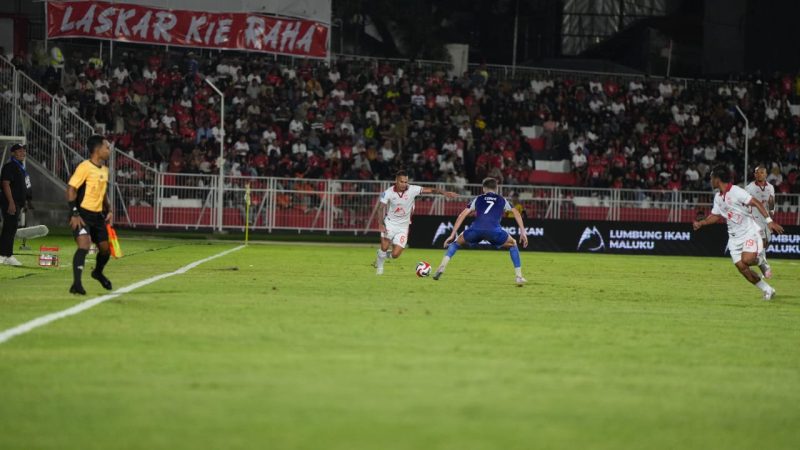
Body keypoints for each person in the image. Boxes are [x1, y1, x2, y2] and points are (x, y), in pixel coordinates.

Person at [693, 165, 784, 300]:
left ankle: (761, 260)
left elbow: (756, 202)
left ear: (717, 179)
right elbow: (715, 216)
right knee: (743, 269)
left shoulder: (736, 191)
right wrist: (702, 223)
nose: (710, 181)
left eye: (711, 178)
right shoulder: (718, 197)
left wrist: (769, 221)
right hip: (734, 238)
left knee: (746, 260)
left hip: (749, 232)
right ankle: (768, 290)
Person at [433, 177, 529, 285]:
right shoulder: (502, 199)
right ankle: (519, 277)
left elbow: (462, 215)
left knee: (455, 243)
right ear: (496, 188)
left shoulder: (478, 198)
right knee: (513, 244)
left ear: (483, 188)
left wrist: (452, 234)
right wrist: (523, 232)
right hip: (494, 231)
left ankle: (442, 267)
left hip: (476, 230)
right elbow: (516, 212)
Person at [375, 170, 457, 275]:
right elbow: (380, 209)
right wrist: (381, 224)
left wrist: (445, 193)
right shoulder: (388, 192)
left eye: (406, 182)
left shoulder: (413, 189)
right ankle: (380, 268)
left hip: (403, 227)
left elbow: (431, 190)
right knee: (385, 246)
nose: (404, 184)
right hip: (390, 224)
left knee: (395, 255)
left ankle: (381, 255)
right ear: (396, 181)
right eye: (401, 181)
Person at [66, 135, 114, 295]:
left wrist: (110, 210)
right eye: (107, 147)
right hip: (82, 215)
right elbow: (71, 188)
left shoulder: (105, 170)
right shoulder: (85, 166)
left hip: (98, 216)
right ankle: (77, 284)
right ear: (97, 149)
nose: (109, 150)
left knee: (105, 250)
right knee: (84, 246)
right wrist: (74, 213)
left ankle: (98, 272)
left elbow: (103, 192)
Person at [1, 144, 31, 266]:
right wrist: (11, 203)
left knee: (12, 228)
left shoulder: (20, 167)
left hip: (17, 203)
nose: (23, 152)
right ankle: (2, 255)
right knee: (8, 228)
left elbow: (22, 187)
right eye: (19, 150)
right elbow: (5, 184)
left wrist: (25, 202)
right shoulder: (10, 166)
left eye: (24, 150)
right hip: (10, 202)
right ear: (13, 153)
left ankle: (8, 255)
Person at [745, 165, 776, 278]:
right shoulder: (749, 187)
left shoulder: (770, 187)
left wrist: (772, 213)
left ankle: (761, 261)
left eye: (762, 172)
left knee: (766, 242)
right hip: (755, 218)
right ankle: (764, 267)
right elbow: (745, 201)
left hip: (766, 218)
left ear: (766, 174)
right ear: (754, 174)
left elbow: (771, 200)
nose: (759, 174)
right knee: (761, 241)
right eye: (757, 172)